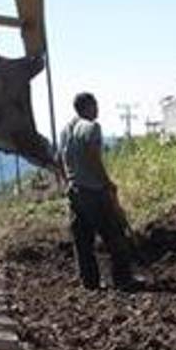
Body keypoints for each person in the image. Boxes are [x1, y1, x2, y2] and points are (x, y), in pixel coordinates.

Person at [57, 92, 144, 292]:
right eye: (95, 105)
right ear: (89, 106)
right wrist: (107, 182)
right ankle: (123, 279)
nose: (97, 110)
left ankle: (90, 282)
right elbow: (93, 158)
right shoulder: (91, 127)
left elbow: (59, 160)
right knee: (114, 234)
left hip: (75, 192)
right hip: (94, 191)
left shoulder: (65, 131)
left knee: (83, 241)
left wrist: (68, 182)